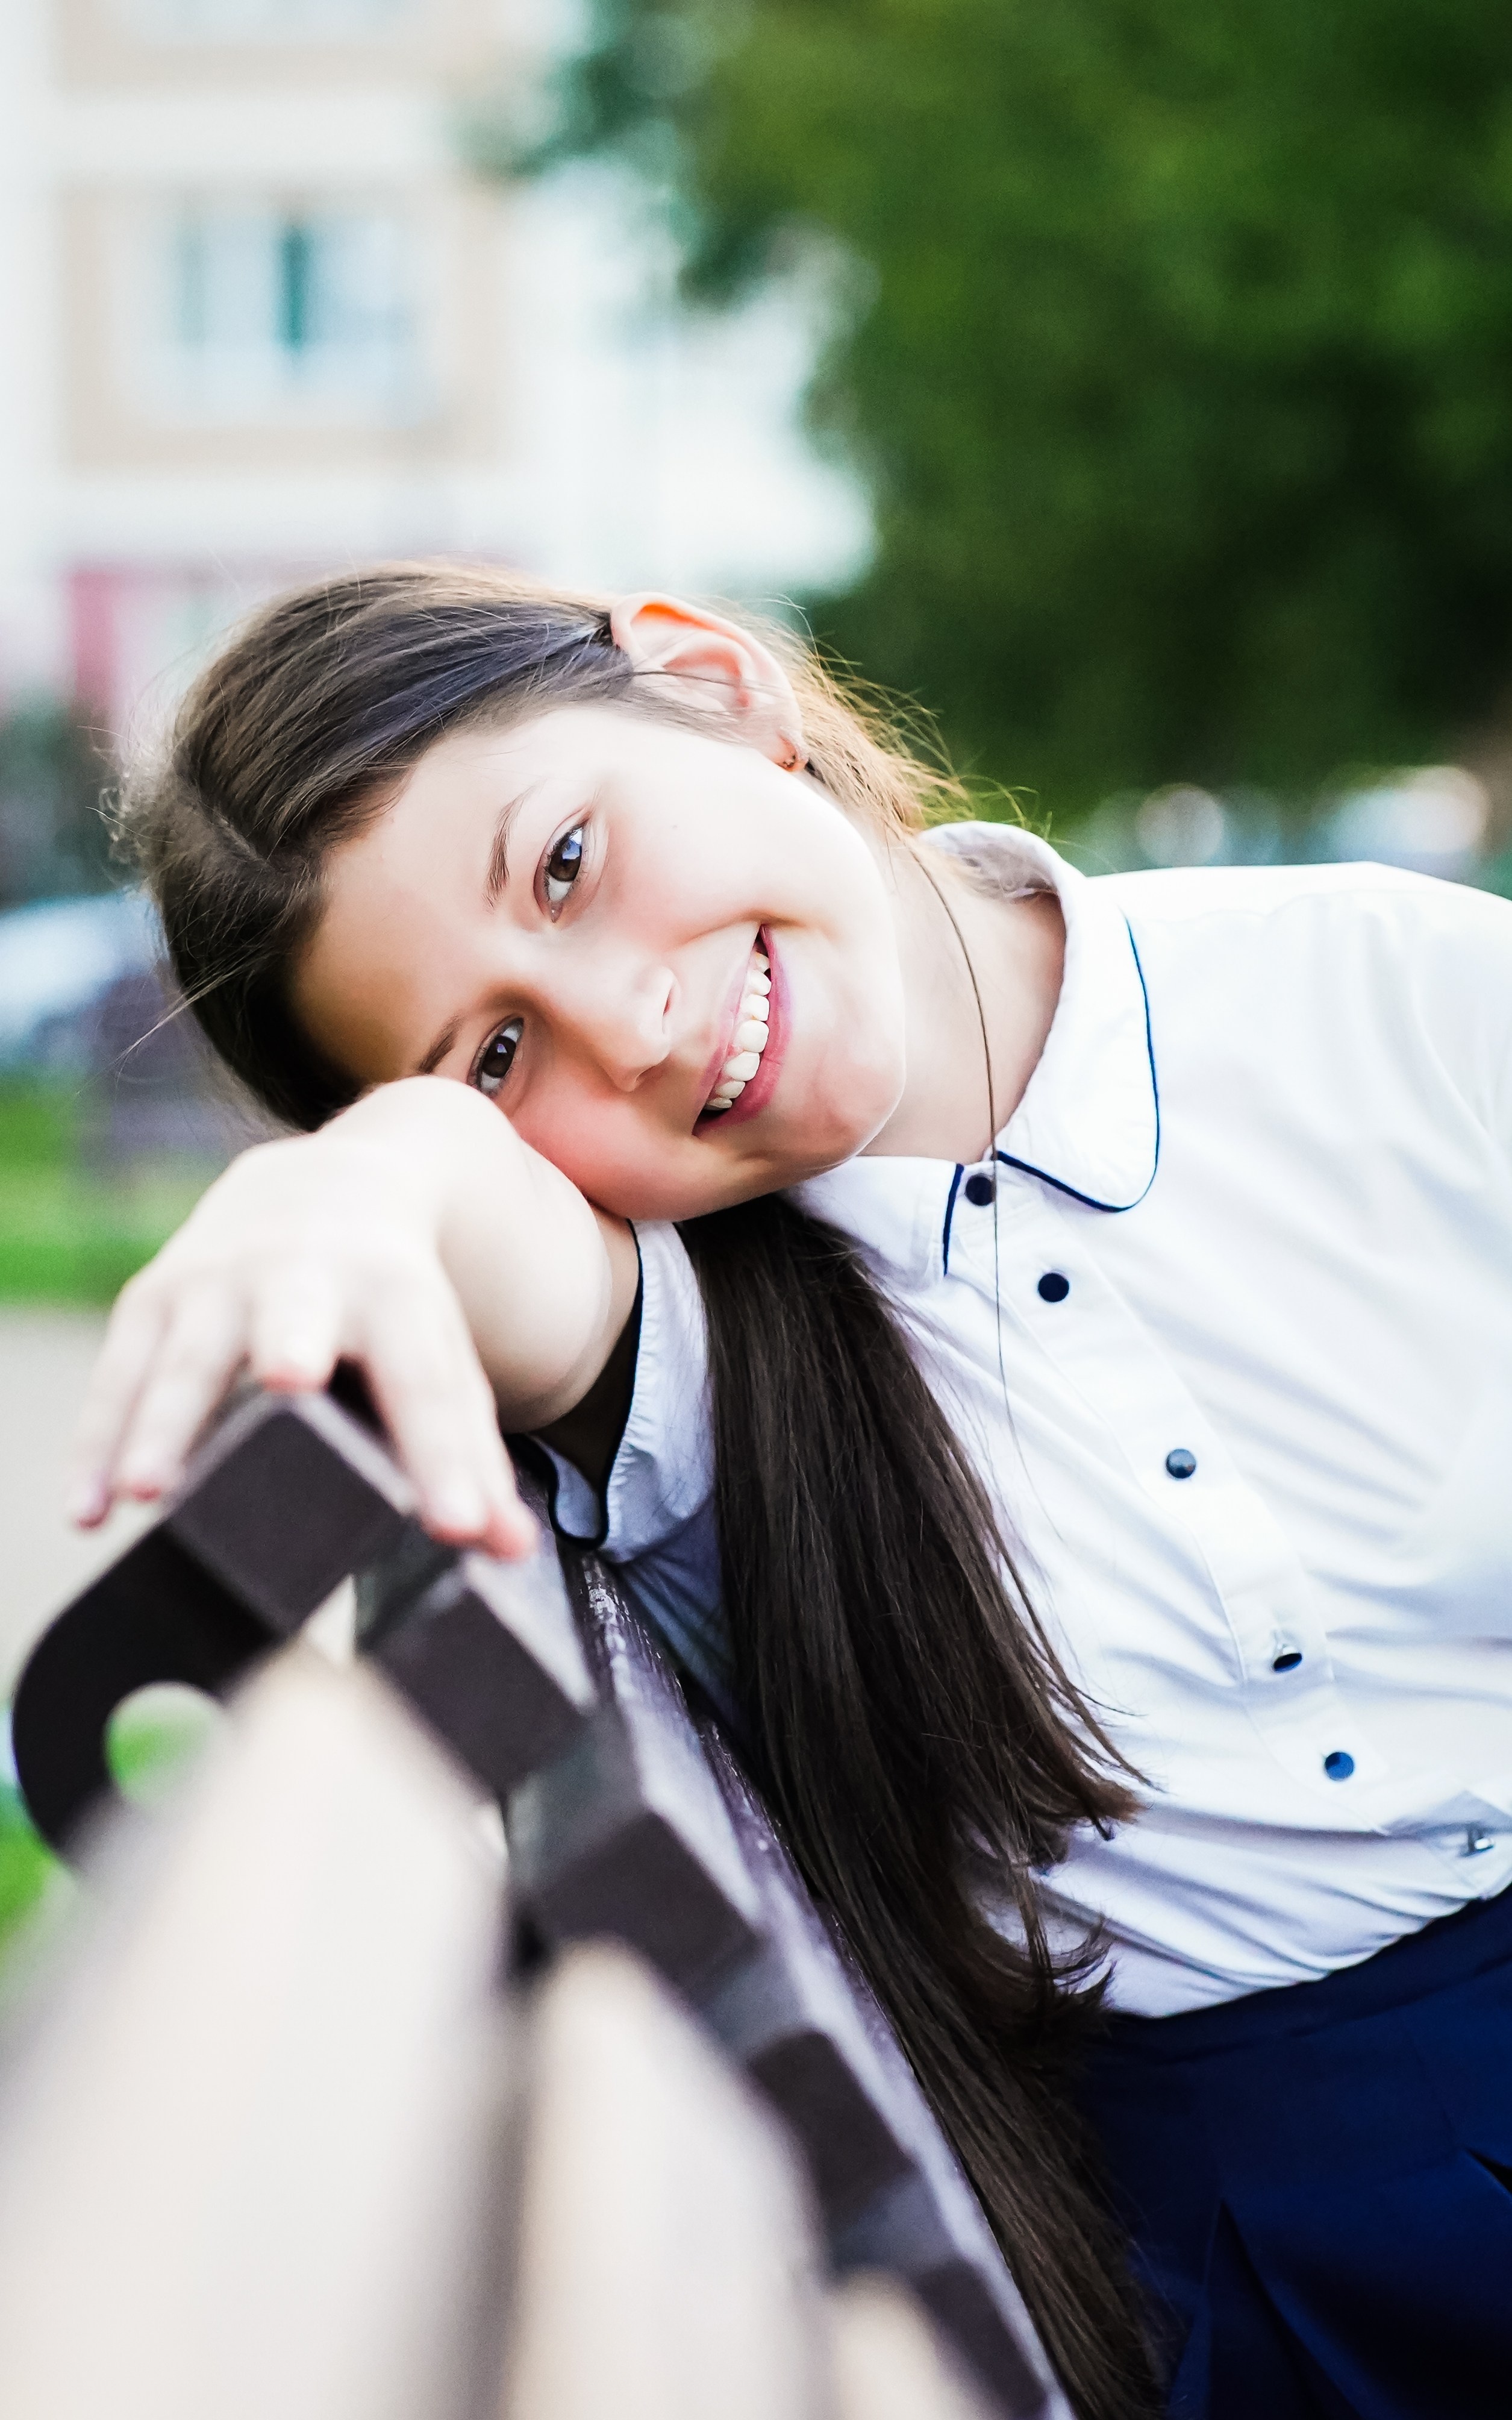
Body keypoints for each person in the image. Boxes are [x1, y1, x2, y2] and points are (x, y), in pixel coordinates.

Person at [71, 564, 1512, 2420]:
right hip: (1276, 2298)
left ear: (712, 676)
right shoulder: (691, 1355)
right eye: (497, 1053)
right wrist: (364, 1180)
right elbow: (488, 1235)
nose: (637, 1018)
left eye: (568, 862)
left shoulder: (1384, 992)